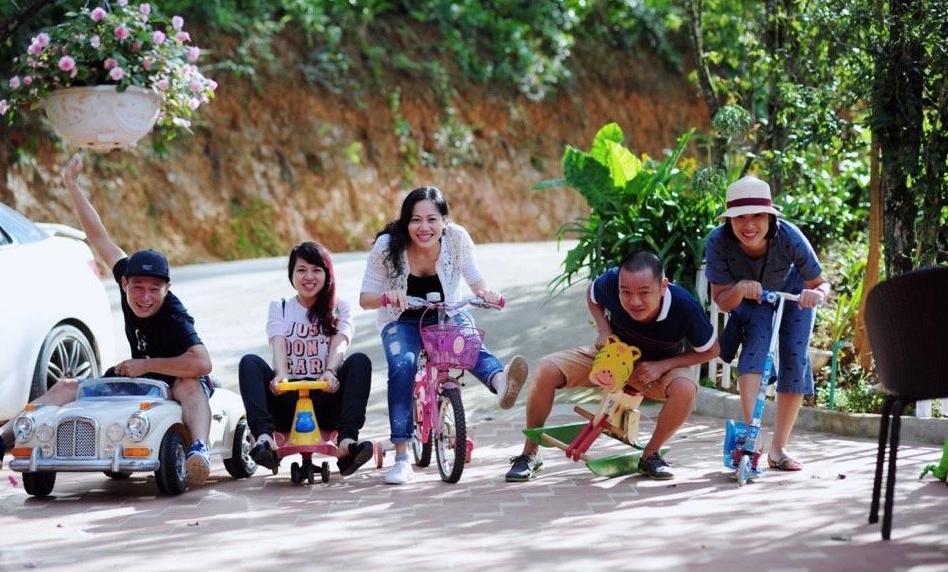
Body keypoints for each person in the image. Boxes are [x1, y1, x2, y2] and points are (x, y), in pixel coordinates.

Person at [0, 153, 215, 487]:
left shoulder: (174, 313)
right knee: (67, 385)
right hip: (139, 374)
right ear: (124, 283)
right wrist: (71, 184)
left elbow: (202, 363)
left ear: (167, 289)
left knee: (189, 385)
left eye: (155, 289)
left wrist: (145, 364)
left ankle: (200, 450)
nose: (145, 296)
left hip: (175, 378)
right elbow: (99, 237)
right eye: (138, 287)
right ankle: (0, 439)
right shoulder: (126, 277)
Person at [359, 186, 528, 485]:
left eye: (432, 219)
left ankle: (502, 383)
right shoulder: (387, 246)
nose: (424, 227)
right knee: (403, 366)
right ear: (404, 222)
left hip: (444, 311)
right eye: (415, 220)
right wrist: (388, 297)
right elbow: (365, 298)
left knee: (467, 343)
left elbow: (475, 279)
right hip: (401, 319)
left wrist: (485, 294)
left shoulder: (457, 239)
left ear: (444, 221)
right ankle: (401, 457)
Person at [505, 250, 719, 482]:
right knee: (545, 370)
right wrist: (604, 330)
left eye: (644, 292)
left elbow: (712, 349)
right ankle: (530, 453)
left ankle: (651, 455)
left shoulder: (684, 307)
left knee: (686, 389)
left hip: (656, 370)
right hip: (611, 359)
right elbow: (592, 294)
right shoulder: (610, 282)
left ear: (663, 286)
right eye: (625, 292)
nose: (634, 301)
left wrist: (662, 365)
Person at [705, 175, 830, 472]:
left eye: (757, 216)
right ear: (729, 221)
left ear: (770, 217)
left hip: (793, 291)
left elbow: (821, 283)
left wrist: (814, 295)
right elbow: (721, 300)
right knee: (755, 351)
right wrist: (740, 289)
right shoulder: (718, 242)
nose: (749, 225)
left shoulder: (789, 237)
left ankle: (779, 449)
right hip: (749, 296)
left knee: (794, 357)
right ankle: (752, 437)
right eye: (740, 218)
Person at [238, 241, 373, 477]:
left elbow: (341, 342)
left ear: (327, 274)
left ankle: (347, 442)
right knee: (249, 363)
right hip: (288, 398)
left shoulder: (340, 307)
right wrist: (280, 374)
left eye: (316, 270)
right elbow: (277, 342)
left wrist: (331, 372)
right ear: (292, 274)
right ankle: (265, 441)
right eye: (301, 270)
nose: (308, 277)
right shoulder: (279, 307)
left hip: (326, 396)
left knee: (360, 361)